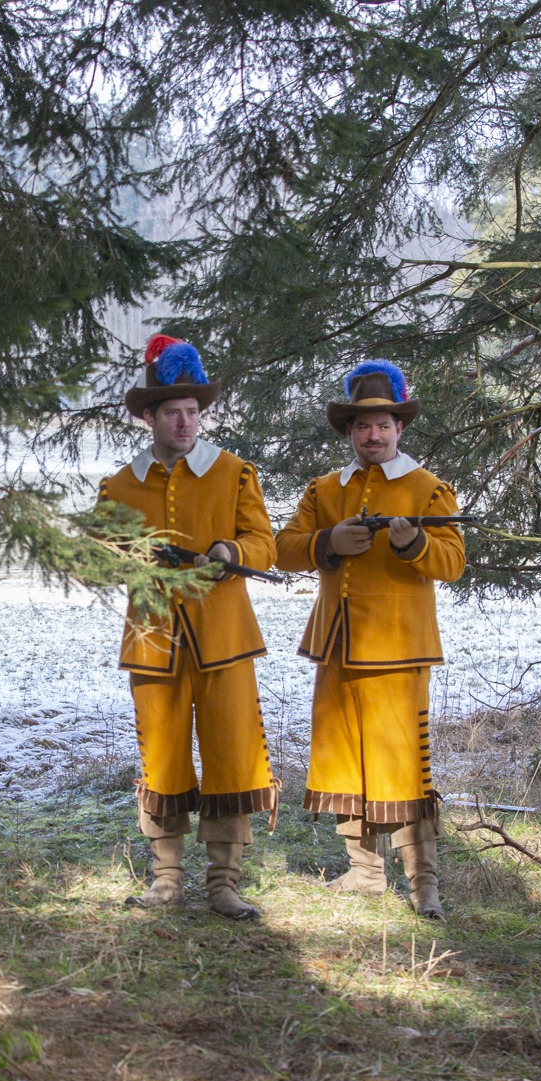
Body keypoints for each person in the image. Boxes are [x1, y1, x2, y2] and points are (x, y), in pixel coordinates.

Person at [274, 362, 465, 918]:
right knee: (345, 760)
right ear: (349, 432)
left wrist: (413, 547)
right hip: (337, 645)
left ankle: (423, 883)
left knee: (404, 764)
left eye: (382, 425)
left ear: (399, 428)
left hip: (401, 650)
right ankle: (364, 872)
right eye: (363, 427)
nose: (373, 436)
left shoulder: (429, 488)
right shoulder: (325, 490)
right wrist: (326, 542)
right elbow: (283, 548)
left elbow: (453, 561)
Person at [98, 335, 278, 920]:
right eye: (172, 412)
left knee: (230, 755)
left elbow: (265, 546)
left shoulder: (235, 474)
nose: (184, 422)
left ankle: (223, 883)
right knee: (164, 759)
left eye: (193, 412)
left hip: (224, 640)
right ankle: (167, 879)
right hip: (153, 642)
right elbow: (101, 554)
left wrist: (229, 549)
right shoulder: (119, 486)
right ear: (149, 416)